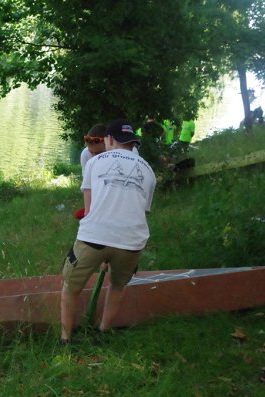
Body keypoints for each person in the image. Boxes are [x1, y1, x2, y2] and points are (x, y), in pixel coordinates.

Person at [60, 120, 156, 343]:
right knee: (117, 285)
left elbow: (89, 209)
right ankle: (103, 332)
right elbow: (142, 212)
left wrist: (103, 247)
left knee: (69, 287)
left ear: (109, 139)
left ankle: (65, 338)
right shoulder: (149, 171)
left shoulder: (94, 161)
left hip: (94, 238)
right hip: (132, 242)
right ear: (133, 142)